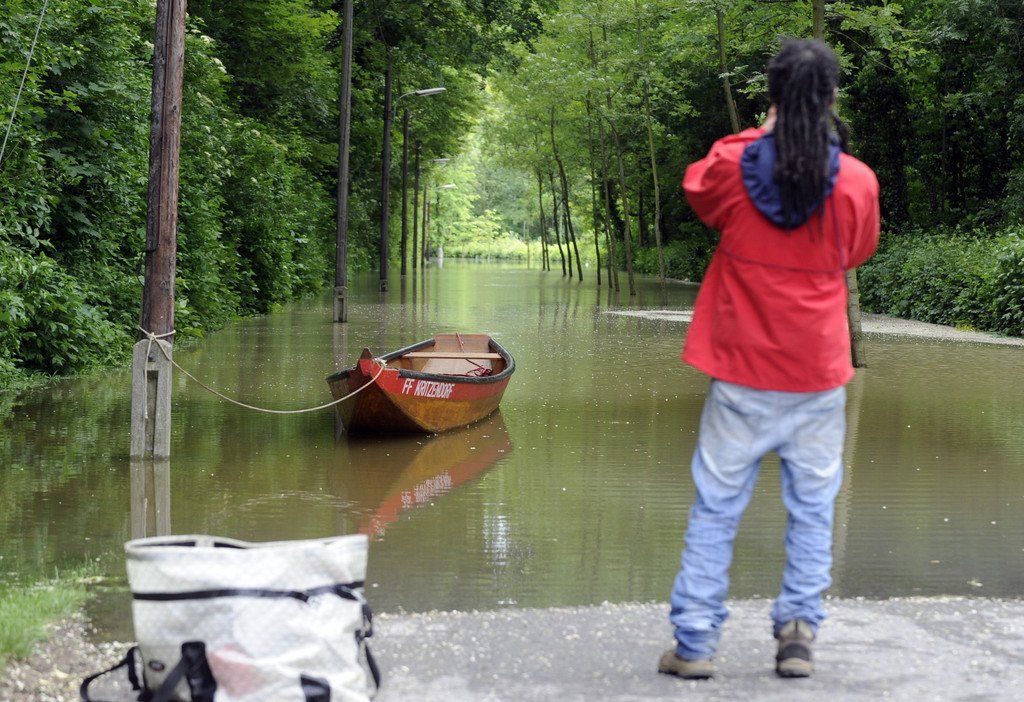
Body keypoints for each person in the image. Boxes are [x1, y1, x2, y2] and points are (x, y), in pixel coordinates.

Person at [658, 39, 880, 681]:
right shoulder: (857, 181)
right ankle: (798, 637)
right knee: (813, 508)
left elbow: (698, 188)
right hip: (817, 372)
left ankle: (695, 645)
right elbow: (857, 251)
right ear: (832, 98)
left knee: (716, 506)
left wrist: (766, 131)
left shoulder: (735, 164)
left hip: (741, 371)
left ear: (773, 98)